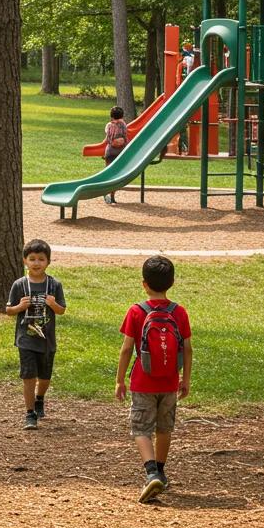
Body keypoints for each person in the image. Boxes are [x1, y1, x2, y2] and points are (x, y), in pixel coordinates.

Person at [115, 255, 192, 504]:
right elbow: (188, 349)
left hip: (142, 382)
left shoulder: (137, 311)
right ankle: (161, 470)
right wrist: (185, 379)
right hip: (170, 382)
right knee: (164, 428)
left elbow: (127, 349)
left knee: (141, 429)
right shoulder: (179, 312)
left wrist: (120, 380)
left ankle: (150, 473)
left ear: (143, 283)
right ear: (172, 282)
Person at [5, 239, 66, 430]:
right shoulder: (19, 285)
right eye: (32, 259)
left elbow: (61, 310)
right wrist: (20, 307)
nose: (36, 263)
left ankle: (40, 398)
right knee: (28, 376)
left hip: (47, 341)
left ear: (48, 262)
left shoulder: (54, 285)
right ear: (25, 261)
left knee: (45, 377)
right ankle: (29, 413)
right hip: (26, 339)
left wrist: (52, 304)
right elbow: (8, 310)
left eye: (41, 259)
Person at [103, 105, 127, 204]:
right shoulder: (124, 125)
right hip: (120, 152)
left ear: (111, 116)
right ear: (122, 116)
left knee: (108, 173)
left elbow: (107, 138)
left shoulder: (109, 125)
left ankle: (105, 192)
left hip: (110, 152)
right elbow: (125, 136)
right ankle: (113, 196)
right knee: (116, 175)